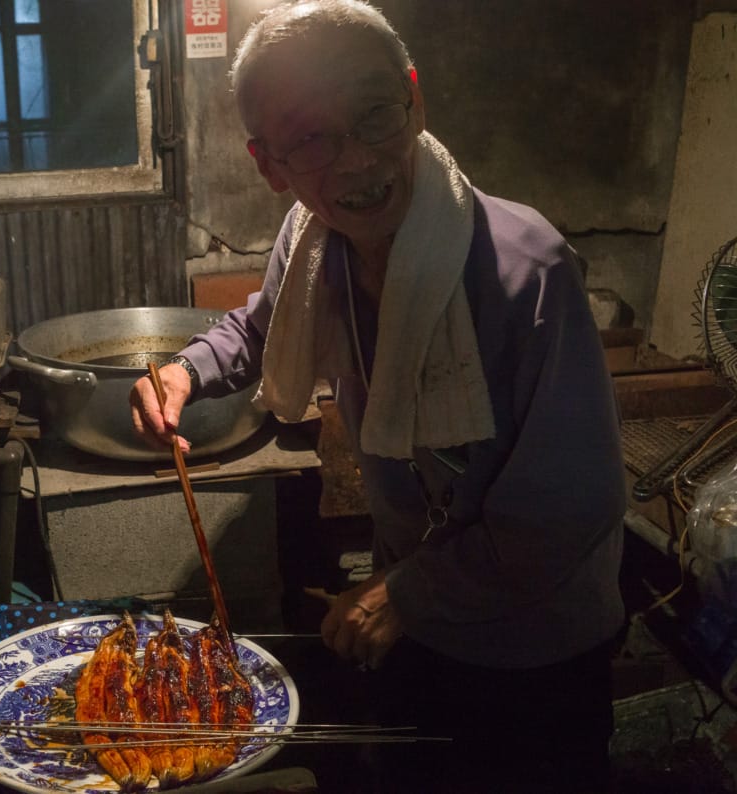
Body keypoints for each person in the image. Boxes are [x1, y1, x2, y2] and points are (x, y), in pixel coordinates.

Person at [129, 1, 625, 791]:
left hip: (535, 646)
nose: (355, 161)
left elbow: (569, 507)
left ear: (414, 99)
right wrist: (189, 368)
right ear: (269, 164)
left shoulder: (528, 274)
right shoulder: (310, 240)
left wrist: (408, 593)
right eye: (312, 139)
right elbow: (263, 326)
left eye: (372, 116)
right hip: (415, 613)